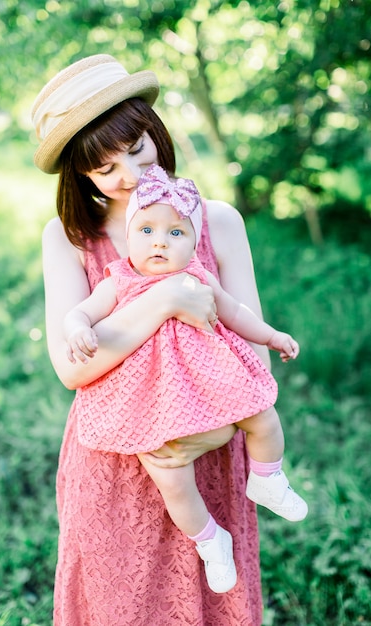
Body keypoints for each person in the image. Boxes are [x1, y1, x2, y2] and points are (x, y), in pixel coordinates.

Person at [32, 53, 302, 624]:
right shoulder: (70, 238)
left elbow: (253, 356)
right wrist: (165, 299)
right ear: (82, 175)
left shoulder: (218, 220)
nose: (129, 176)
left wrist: (215, 433)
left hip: (208, 442)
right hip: (115, 459)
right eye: (106, 168)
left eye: (137, 150)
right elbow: (72, 368)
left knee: (211, 598)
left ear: (156, 133)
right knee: (120, 602)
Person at [63, 163, 308, 594]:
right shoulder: (119, 280)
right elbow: (82, 312)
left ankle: (268, 477)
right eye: (147, 231)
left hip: (208, 389)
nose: (159, 241)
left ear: (194, 243)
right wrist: (79, 328)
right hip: (147, 403)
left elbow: (237, 313)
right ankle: (210, 539)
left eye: (176, 233)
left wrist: (272, 337)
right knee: (172, 478)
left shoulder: (198, 277)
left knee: (264, 416)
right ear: (129, 238)